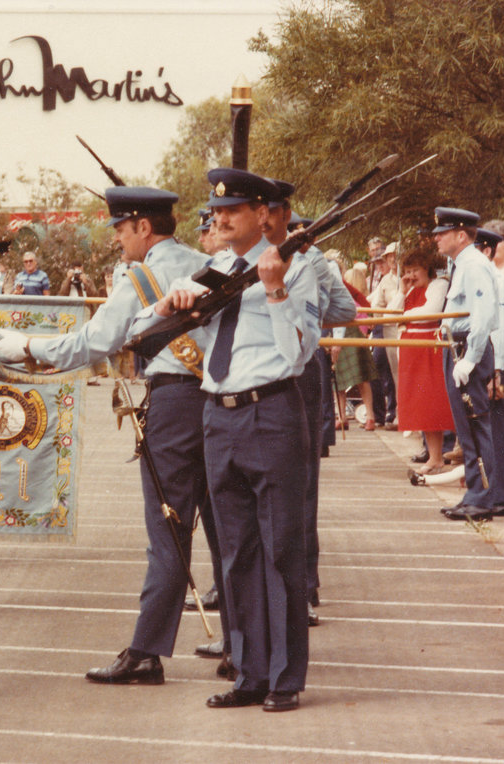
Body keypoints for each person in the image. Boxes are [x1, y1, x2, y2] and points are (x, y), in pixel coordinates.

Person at [0, 186, 214, 687]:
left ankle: (147, 651)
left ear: (143, 228)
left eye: (120, 228)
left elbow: (92, 343)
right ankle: (244, 647)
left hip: (176, 404)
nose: (116, 238)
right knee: (226, 530)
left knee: (169, 533)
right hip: (217, 402)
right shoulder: (207, 261)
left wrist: (24, 345)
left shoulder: (140, 278)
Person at [137, 168, 319, 712]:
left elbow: (297, 355)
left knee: (280, 546)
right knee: (236, 551)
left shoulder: (297, 268)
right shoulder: (212, 269)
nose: (220, 218)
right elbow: (146, 331)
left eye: (234, 210)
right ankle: (249, 670)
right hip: (218, 416)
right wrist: (170, 305)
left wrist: (275, 290)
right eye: (217, 211)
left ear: (263, 215)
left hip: (272, 413)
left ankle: (284, 678)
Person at [262, 188, 356, 628]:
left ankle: (304, 584)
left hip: (298, 369)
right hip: (265, 369)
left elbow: (345, 308)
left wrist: (308, 323)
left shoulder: (310, 260)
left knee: (298, 484)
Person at [432, 208, 501, 522]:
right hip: (457, 347)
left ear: (461, 235)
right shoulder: (461, 264)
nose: (436, 238)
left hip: (466, 352)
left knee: (475, 427)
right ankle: (475, 493)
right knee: (466, 429)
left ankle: (483, 498)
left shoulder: (473, 265)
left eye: (442, 233)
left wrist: (470, 360)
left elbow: (483, 317)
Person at [389, 247, 453, 473]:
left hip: (428, 349)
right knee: (419, 406)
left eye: (414, 270)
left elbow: (431, 312)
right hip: (411, 350)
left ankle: (440, 455)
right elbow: (389, 316)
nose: (410, 275)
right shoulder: (409, 290)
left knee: (432, 403)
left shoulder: (439, 285)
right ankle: (434, 456)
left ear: (427, 269)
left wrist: (404, 318)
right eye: (407, 271)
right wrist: (401, 291)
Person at [474, 228, 504, 516]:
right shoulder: (484, 280)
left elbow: (501, 330)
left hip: (498, 360)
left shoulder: (498, 283)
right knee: (489, 428)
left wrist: (497, 371)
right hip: (490, 359)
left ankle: (503, 497)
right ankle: (495, 492)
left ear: (488, 251)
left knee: (497, 429)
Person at [334, 265, 379, 430]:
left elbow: (362, 303)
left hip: (351, 332)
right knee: (337, 378)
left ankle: (370, 417)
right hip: (335, 332)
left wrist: (366, 324)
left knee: (361, 377)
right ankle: (342, 416)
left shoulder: (343, 287)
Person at [368, 242, 400, 428]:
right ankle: (394, 411)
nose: (393, 260)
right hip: (388, 329)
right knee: (389, 370)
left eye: (395, 255)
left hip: (405, 329)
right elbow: (376, 303)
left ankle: (399, 412)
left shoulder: (406, 277)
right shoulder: (386, 281)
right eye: (389, 256)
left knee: (402, 372)